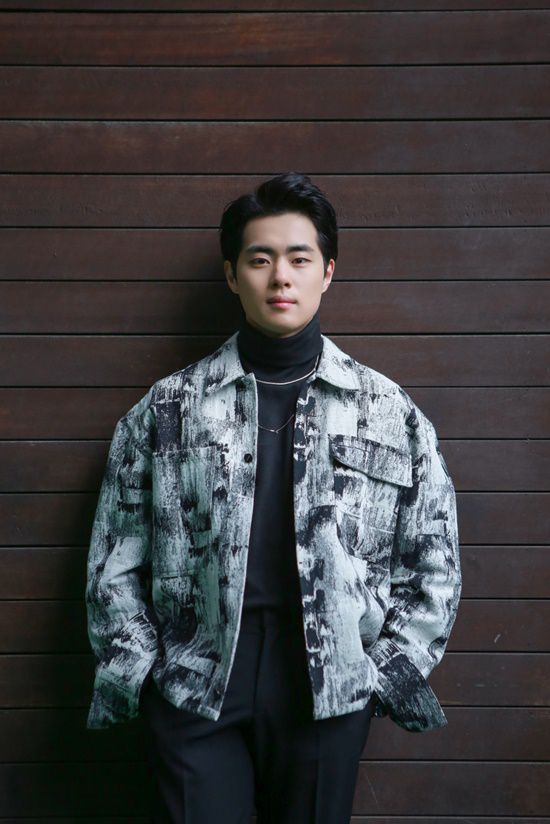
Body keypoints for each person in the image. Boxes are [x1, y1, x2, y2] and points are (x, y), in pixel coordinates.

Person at [85, 172, 462, 823]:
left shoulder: (388, 411)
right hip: (196, 686)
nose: (280, 277)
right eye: (260, 260)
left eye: (299, 259)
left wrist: (380, 673)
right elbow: (113, 560)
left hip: (326, 692)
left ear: (328, 272)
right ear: (232, 275)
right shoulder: (168, 408)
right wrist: (143, 670)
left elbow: (434, 561)